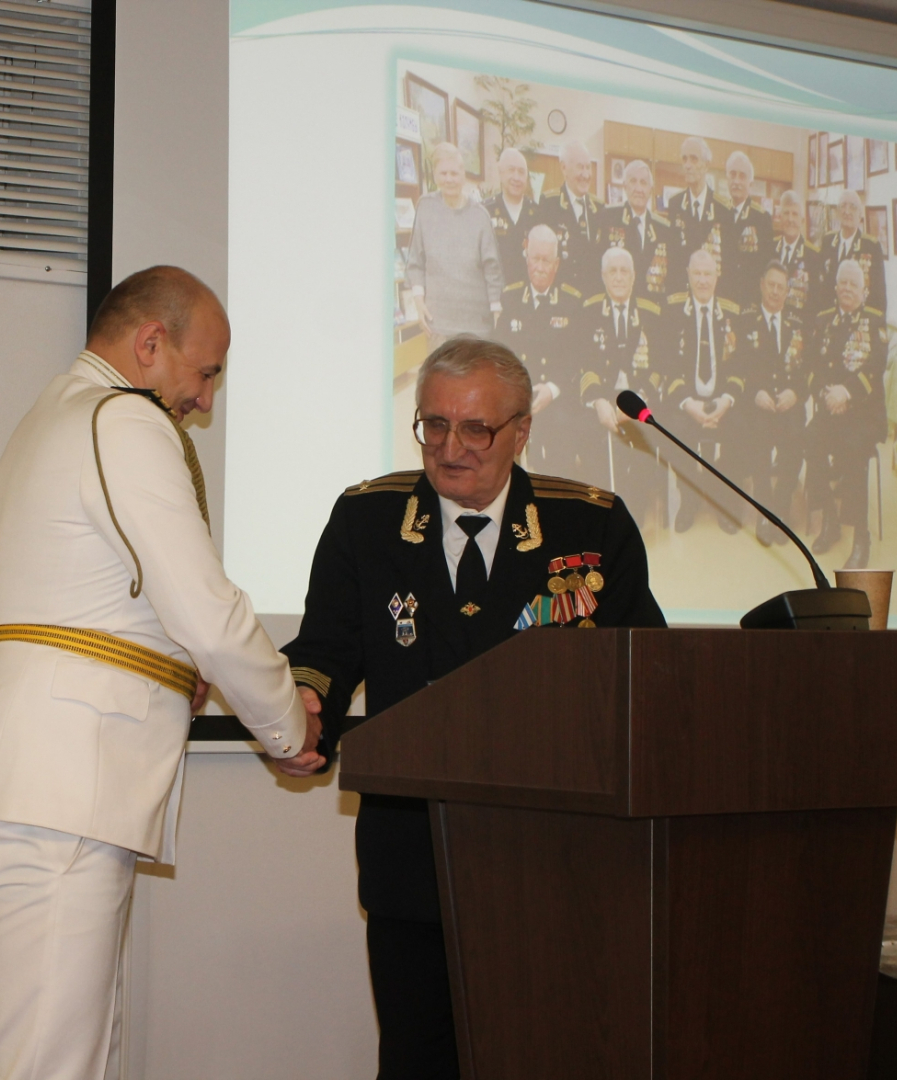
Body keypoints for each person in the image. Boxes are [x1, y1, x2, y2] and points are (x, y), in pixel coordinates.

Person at [0, 267, 323, 1080]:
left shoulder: (56, 415)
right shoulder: (123, 420)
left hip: (40, 789)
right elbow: (207, 610)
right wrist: (287, 725)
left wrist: (179, 670)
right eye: (204, 373)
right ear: (150, 343)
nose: (205, 401)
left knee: (64, 1063)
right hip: (60, 797)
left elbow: (90, 610)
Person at [282, 337, 665, 1080]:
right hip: (412, 854)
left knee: (550, 1057)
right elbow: (324, 649)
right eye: (434, 425)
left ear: (522, 432)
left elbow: (643, 673)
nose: (449, 448)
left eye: (475, 430)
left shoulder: (591, 526)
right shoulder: (368, 520)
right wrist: (304, 703)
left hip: (555, 856)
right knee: (418, 1061)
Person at [807, 259, 889, 570]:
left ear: (864, 292)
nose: (847, 288)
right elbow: (813, 366)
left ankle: (861, 537)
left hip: (863, 414)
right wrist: (828, 395)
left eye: (854, 284)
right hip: (831, 408)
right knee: (809, 439)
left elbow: (876, 367)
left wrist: (847, 393)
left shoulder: (874, 322)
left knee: (854, 449)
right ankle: (830, 519)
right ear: (836, 286)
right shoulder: (824, 320)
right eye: (843, 282)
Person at [662, 248, 745, 533]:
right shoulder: (673, 311)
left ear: (717, 276)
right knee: (673, 429)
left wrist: (726, 401)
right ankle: (689, 500)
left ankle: (725, 501)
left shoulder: (732, 313)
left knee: (741, 427)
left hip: (722, 400)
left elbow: (740, 366)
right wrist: (688, 403)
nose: (702, 280)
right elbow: (667, 364)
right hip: (687, 400)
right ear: (687, 275)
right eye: (696, 273)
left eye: (707, 274)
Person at [496, 223, 585, 476]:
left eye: (546, 260)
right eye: (535, 258)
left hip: (556, 395)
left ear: (556, 264)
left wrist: (552, 389)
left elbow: (576, 357)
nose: (540, 267)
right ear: (527, 258)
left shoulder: (571, 302)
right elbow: (499, 353)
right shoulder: (511, 298)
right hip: (519, 395)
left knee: (562, 431)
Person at [580, 246, 664, 504]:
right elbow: (584, 364)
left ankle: (635, 508)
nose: (618, 277)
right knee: (587, 438)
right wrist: (598, 402)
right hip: (603, 399)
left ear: (633, 276)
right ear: (604, 276)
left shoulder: (651, 313)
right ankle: (599, 509)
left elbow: (660, 366)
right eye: (613, 271)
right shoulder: (589, 312)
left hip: (639, 398)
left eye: (624, 271)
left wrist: (637, 401)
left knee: (644, 448)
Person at [734, 261, 808, 546]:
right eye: (771, 285)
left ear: (787, 292)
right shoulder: (745, 322)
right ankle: (765, 510)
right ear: (762, 285)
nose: (775, 292)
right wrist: (754, 393)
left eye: (781, 287)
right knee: (758, 444)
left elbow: (809, 370)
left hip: (789, 404)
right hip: (759, 404)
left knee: (795, 443)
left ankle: (781, 506)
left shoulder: (798, 325)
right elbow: (738, 366)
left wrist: (796, 393)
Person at [406, 142, 504, 348]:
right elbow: (415, 261)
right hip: (437, 327)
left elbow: (492, 268)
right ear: (435, 176)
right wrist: (419, 302)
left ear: (463, 175)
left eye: (454, 173)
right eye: (443, 173)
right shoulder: (425, 208)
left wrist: (496, 309)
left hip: (476, 329)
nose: (449, 179)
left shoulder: (480, 216)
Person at [597, 159, 681, 301]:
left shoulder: (664, 229)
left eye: (643, 183)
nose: (638, 189)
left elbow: (671, 278)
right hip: (616, 304)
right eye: (633, 181)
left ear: (651, 190)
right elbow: (598, 267)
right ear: (625, 186)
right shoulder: (608, 217)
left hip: (651, 307)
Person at [539, 138, 604, 289]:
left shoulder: (600, 208)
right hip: (562, 295)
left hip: (592, 296)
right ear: (564, 168)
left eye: (588, 167)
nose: (586, 175)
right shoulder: (549, 204)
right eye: (580, 167)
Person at [664, 136, 729, 277]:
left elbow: (727, 262)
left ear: (706, 165)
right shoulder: (675, 204)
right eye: (684, 159)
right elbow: (672, 256)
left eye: (694, 159)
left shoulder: (722, 209)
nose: (688, 165)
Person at [719, 150, 774, 309]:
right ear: (727, 178)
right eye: (732, 174)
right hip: (721, 299)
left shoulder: (761, 218)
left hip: (748, 302)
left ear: (751, 183)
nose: (736, 181)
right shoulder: (719, 213)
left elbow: (766, 266)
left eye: (742, 176)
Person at [819, 190, 887, 317]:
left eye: (853, 207)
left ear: (860, 215)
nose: (847, 211)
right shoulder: (828, 242)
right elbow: (820, 288)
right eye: (843, 206)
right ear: (837, 212)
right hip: (830, 321)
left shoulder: (871, 247)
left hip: (859, 321)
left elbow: (879, 296)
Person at [482, 147, 539, 283]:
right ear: (501, 173)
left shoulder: (538, 213)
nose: (516, 177)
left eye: (521, 172)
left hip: (527, 291)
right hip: (495, 290)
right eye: (511, 170)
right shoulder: (485, 211)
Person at [774, 190, 824, 324]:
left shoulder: (814, 256)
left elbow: (816, 302)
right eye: (786, 213)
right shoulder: (769, 249)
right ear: (780, 217)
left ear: (802, 220)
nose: (790, 219)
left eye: (795, 214)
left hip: (799, 328)